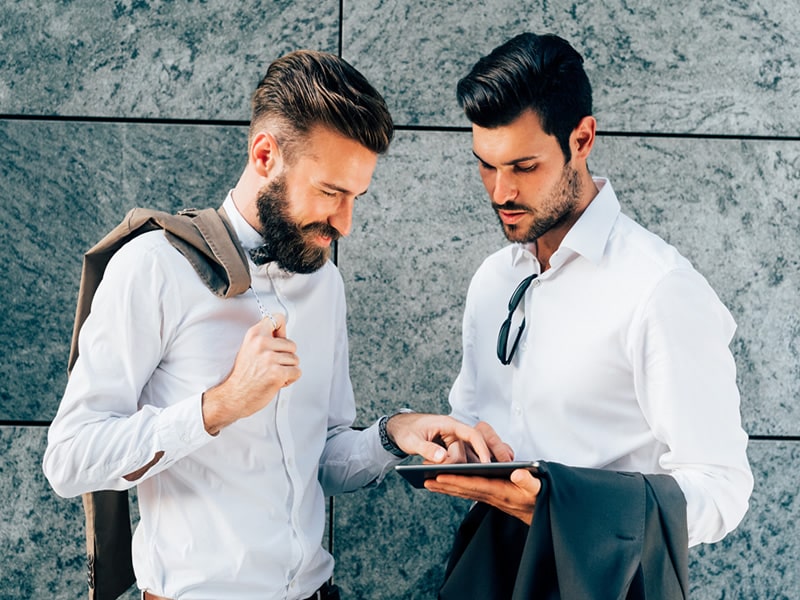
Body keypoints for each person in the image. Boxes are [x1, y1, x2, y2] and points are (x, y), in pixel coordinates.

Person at [43, 49, 492, 600]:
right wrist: (220, 405)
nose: (346, 224)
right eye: (331, 193)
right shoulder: (153, 267)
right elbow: (68, 460)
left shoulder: (325, 284)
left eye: (356, 198)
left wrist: (392, 434)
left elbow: (321, 458)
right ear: (264, 155)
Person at [424, 32, 754, 594]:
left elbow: (722, 490)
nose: (500, 191)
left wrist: (572, 508)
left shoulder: (659, 289)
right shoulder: (493, 280)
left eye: (523, 166)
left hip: (606, 578)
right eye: (486, 166)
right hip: (489, 569)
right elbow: (475, 412)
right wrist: (464, 448)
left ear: (582, 139)